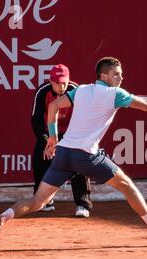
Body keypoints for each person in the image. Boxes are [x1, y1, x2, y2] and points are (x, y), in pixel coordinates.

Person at [0, 57, 147, 250]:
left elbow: (53, 106)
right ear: (104, 76)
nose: (120, 78)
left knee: (37, 201)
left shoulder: (81, 90)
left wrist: (53, 138)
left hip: (63, 155)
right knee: (127, 185)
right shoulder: (115, 93)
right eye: (116, 74)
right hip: (87, 156)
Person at [31, 64, 92, 217]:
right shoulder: (42, 92)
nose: (61, 86)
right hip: (49, 133)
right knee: (40, 157)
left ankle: (82, 205)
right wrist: (46, 140)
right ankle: (44, 201)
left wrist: (72, 140)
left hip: (72, 132)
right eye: (57, 82)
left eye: (64, 82)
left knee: (79, 161)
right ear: (51, 81)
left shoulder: (77, 91)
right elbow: (36, 119)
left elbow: (84, 118)